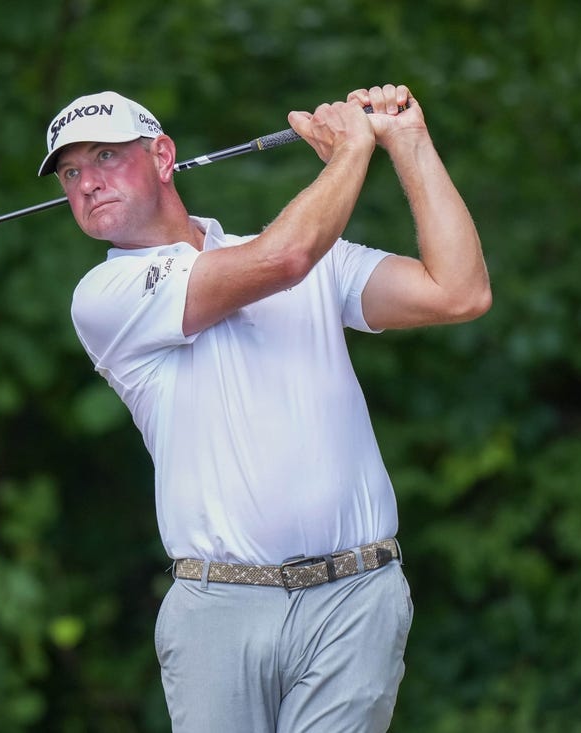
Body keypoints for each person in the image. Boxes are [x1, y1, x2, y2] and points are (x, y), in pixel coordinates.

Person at [38, 85, 491, 733]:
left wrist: (408, 143)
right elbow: (284, 257)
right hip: (220, 606)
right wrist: (350, 154)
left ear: (163, 156)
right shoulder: (104, 295)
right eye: (71, 171)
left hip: (355, 596)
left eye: (106, 156)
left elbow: (458, 291)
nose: (86, 182)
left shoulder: (307, 257)